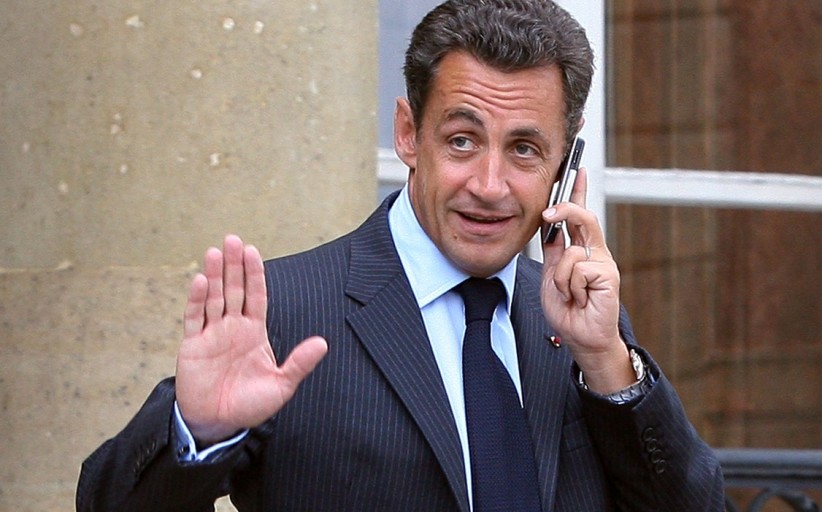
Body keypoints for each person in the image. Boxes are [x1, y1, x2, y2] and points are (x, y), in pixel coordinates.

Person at [76, 0, 725, 510]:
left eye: (525, 149)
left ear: (565, 159)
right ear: (409, 133)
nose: (489, 185)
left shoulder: (585, 331)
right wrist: (198, 433)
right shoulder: (283, 310)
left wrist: (608, 362)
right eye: (462, 140)